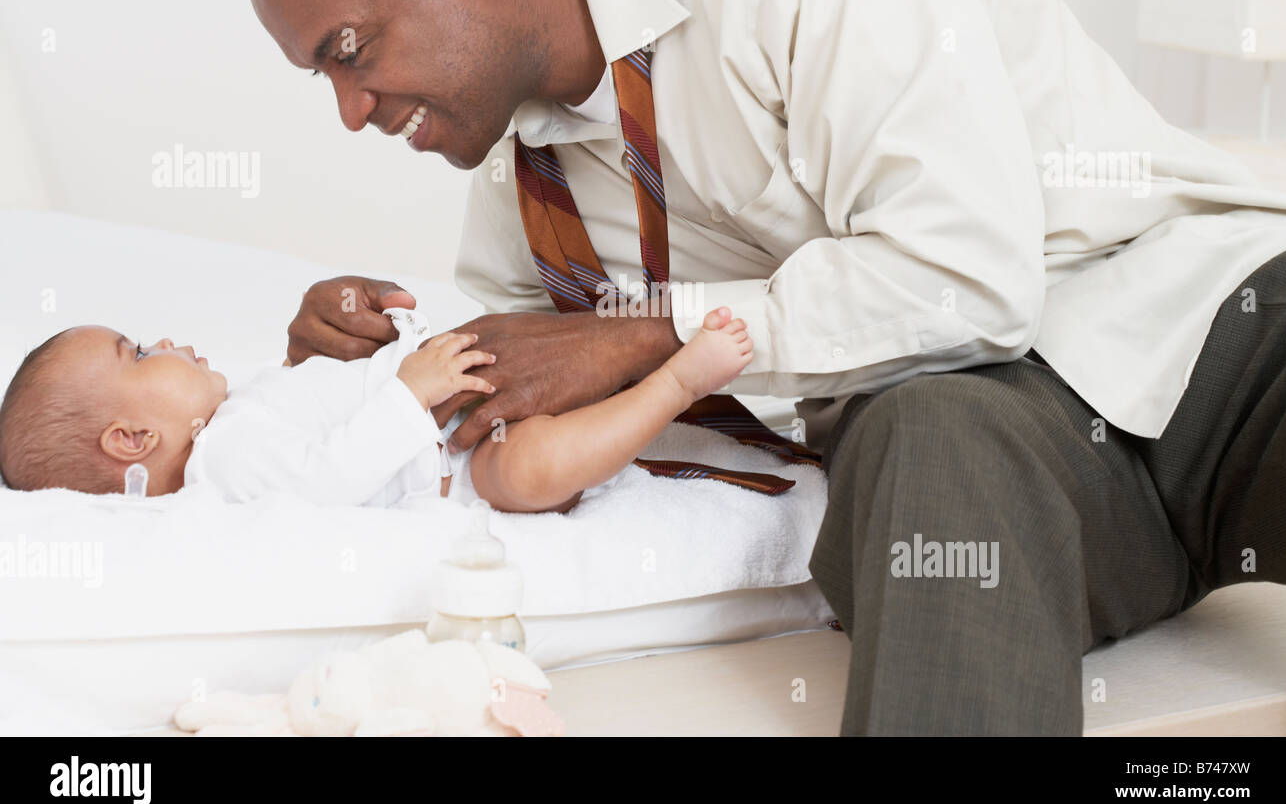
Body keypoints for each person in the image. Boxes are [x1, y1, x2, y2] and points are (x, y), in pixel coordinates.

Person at [248, 0, 1286, 733]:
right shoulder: (522, 190)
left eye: (350, 50)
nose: (349, 111)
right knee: (926, 435)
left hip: (1207, 320)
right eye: (320, 77)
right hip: (1002, 442)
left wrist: (640, 339)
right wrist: (365, 384)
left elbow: (973, 272)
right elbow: (508, 409)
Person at [0, 307, 758, 509]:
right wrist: (408, 391)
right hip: (461, 461)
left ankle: (648, 369)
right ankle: (676, 384)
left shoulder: (238, 417)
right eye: (137, 352)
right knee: (531, 469)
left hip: (452, 406)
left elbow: (317, 409)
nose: (162, 337)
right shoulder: (221, 460)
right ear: (133, 438)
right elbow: (328, 480)